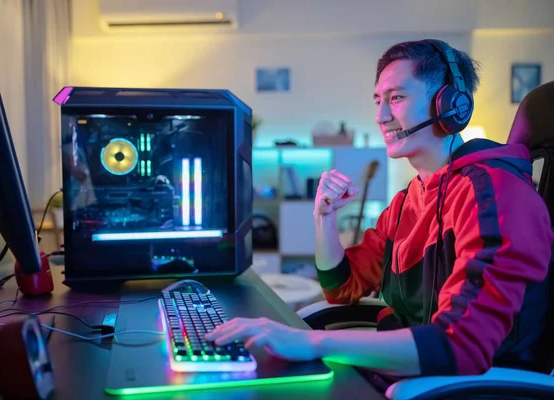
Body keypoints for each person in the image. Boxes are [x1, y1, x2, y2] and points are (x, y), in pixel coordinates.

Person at [205, 39, 553, 389]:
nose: (381, 115)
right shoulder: (406, 203)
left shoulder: (495, 193)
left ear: (450, 105)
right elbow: (342, 289)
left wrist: (313, 342)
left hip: (456, 388)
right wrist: (324, 218)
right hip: (401, 373)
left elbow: (461, 346)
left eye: (396, 97)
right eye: (378, 100)